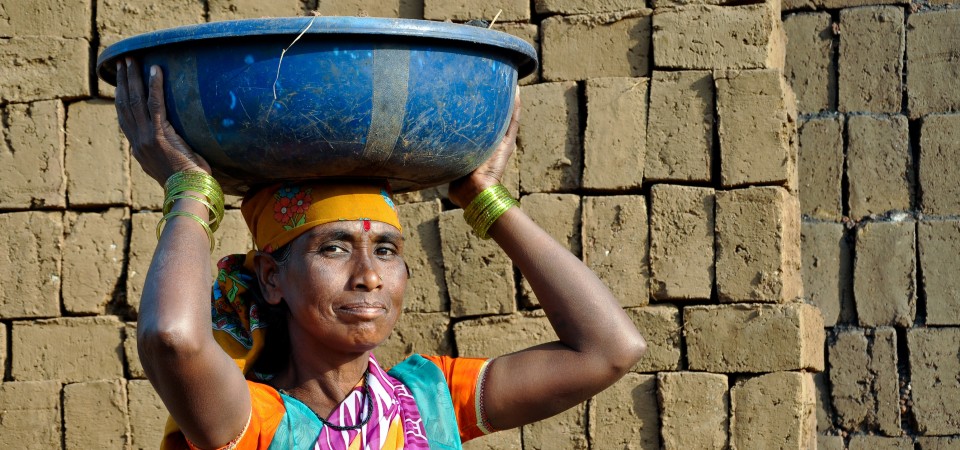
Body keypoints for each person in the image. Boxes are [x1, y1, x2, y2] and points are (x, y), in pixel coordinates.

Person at [115, 56, 646, 449]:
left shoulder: (430, 402)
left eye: (386, 249)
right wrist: (189, 190)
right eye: (334, 248)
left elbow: (609, 349)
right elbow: (172, 338)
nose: (368, 276)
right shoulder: (253, 421)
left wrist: (484, 197)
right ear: (274, 279)